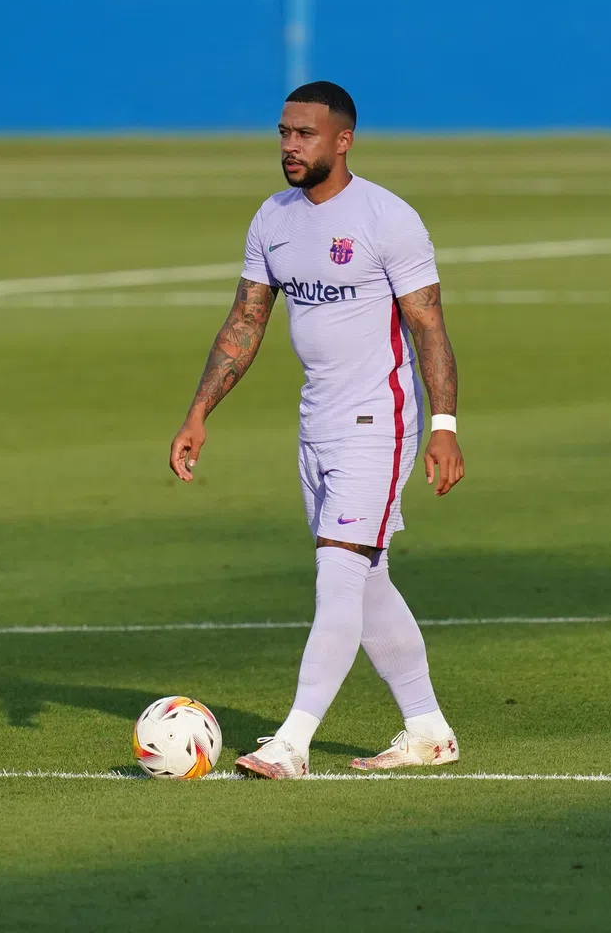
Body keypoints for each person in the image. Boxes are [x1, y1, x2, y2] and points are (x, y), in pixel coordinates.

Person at [167, 81, 465, 778]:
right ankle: (428, 729)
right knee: (366, 579)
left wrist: (444, 425)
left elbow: (429, 327)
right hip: (316, 423)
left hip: (378, 421)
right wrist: (199, 410)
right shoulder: (272, 219)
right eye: (284, 133)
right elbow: (246, 321)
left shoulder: (388, 219)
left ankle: (292, 741)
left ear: (343, 140)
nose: (290, 146)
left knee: (337, 572)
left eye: (304, 134)